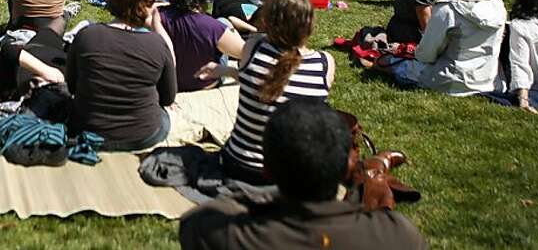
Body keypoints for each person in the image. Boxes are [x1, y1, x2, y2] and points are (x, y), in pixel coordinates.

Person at [179, 100, 427, 250]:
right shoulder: (398, 235)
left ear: (266, 170)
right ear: (348, 170)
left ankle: (375, 166)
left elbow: (199, 218)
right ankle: (375, 168)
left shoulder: (220, 234)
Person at [201, 0, 334, 184]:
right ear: (309, 25)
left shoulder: (253, 48)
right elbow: (282, 81)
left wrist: (228, 71)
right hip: (291, 177)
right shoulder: (325, 64)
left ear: (267, 21)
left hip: (239, 165)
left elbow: (264, 78)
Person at [66, 0, 176, 151]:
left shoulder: (87, 35)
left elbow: (71, 85)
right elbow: (168, 97)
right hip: (143, 135)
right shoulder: (157, 44)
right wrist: (157, 27)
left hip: (88, 128)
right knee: (164, 117)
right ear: (146, 7)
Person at [382, 0, 507, 96]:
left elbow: (426, 55)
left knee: (387, 61)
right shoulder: (498, 6)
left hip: (450, 80)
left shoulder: (447, 10)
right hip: (489, 80)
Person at [159, 0, 245, 92]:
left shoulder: (157, 16)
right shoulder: (213, 27)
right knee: (224, 22)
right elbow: (245, 53)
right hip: (203, 81)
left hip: (169, 81)